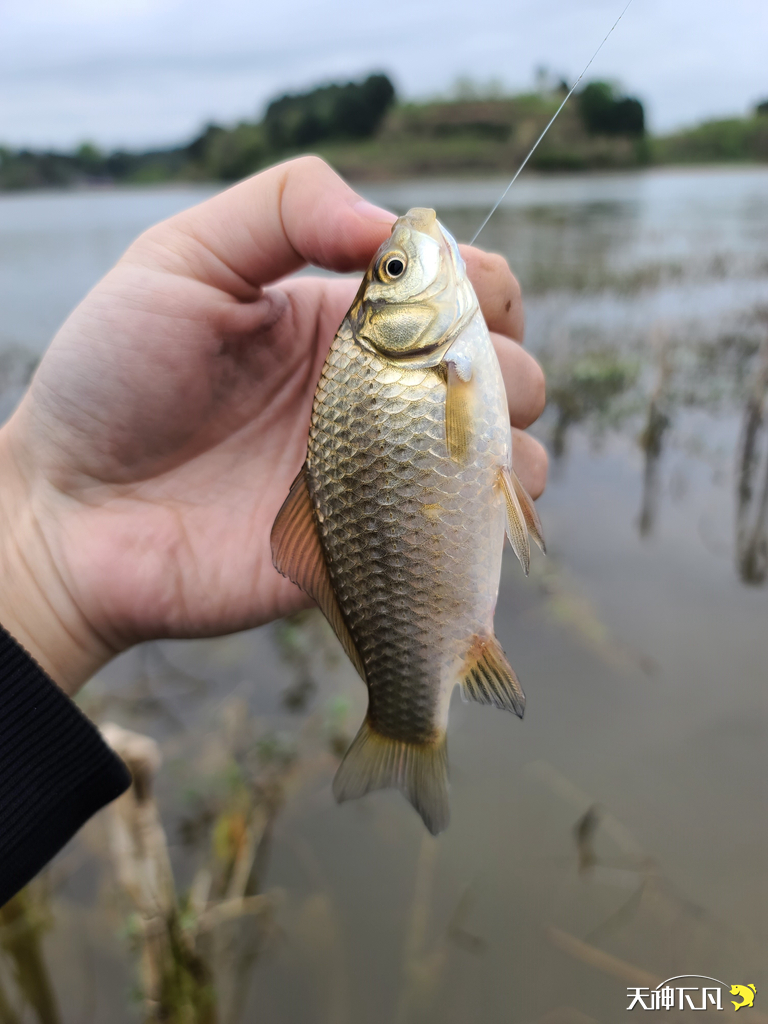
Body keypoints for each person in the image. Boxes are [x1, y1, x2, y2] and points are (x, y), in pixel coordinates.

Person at [0, 157, 547, 905]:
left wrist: (42, 562)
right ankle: (409, 729)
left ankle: (408, 722)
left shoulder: (425, 359)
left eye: (391, 270)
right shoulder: (423, 360)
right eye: (393, 269)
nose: (402, 258)